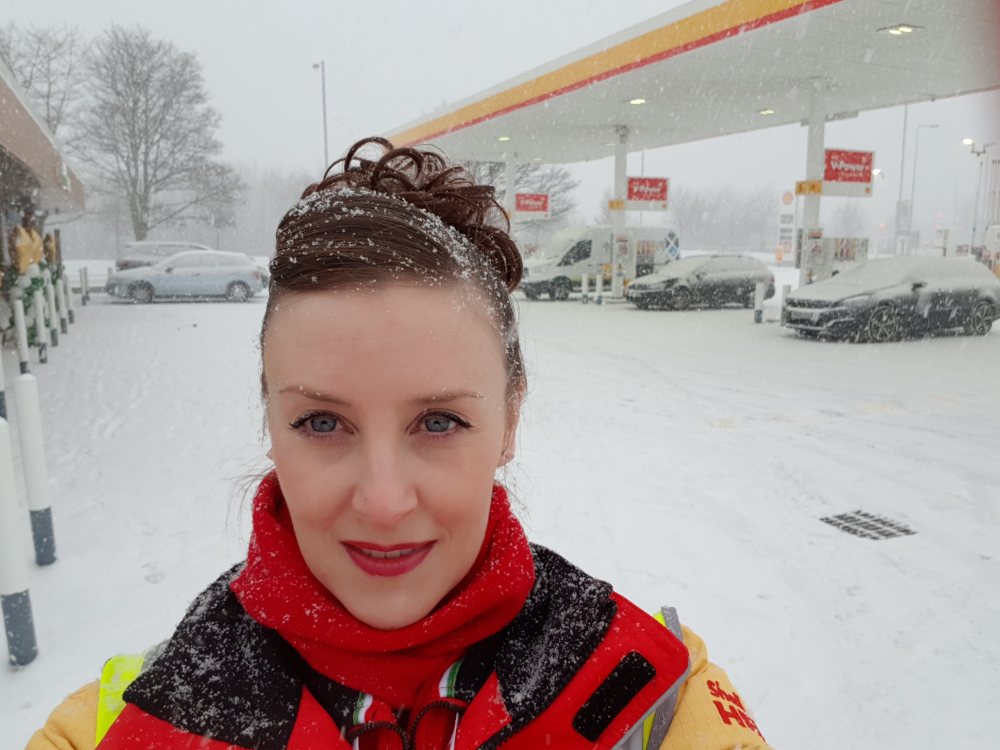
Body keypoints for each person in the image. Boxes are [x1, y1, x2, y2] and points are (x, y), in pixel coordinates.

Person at [27, 138, 771, 750]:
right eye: (323, 423)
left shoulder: (651, 697)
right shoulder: (117, 728)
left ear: (510, 421)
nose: (383, 504)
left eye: (439, 422)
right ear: (270, 423)